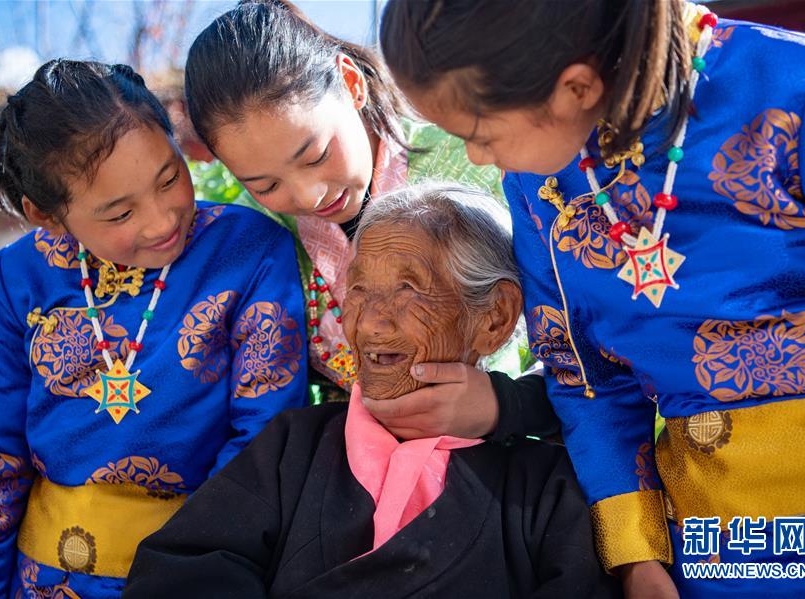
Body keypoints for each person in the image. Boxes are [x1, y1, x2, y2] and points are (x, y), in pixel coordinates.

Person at [378, 1, 805, 597]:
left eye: (480, 133)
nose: (475, 159)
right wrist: (636, 556)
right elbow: (584, 379)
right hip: (710, 549)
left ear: (575, 87)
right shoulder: (539, 179)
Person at [122, 184, 619, 598]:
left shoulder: (545, 487)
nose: (372, 321)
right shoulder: (292, 447)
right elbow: (180, 570)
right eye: (358, 289)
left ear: (493, 319)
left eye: (409, 289)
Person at [0, 60, 307, 598]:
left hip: (199, 575)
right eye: (118, 214)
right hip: (40, 583)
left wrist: (194, 576)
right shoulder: (22, 275)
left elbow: (264, 437)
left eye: (169, 177)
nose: (161, 220)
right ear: (46, 215)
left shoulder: (248, 252)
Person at [183, 0, 554, 446]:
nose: (306, 196)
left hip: (509, 474)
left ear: (351, 82)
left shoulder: (481, 163)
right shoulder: (260, 235)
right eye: (265, 184)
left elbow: (596, 342)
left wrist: (503, 403)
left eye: (316, 155)